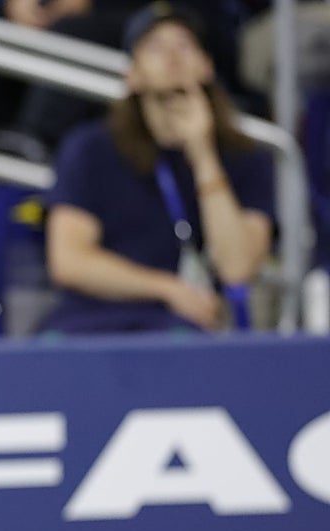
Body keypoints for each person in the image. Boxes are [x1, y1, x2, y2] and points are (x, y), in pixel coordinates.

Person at [39, 2, 275, 334]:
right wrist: (167, 288)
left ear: (207, 66)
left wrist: (203, 155)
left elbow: (236, 268)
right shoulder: (90, 148)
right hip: (91, 320)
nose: (172, 56)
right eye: (154, 46)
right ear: (132, 75)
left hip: (184, 326)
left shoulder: (246, 156)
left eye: (184, 44)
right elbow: (69, 261)